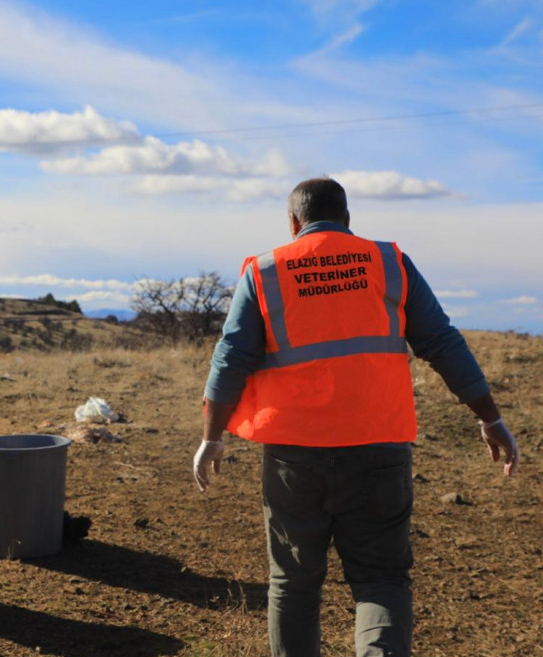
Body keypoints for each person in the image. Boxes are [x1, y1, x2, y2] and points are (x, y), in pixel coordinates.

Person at [193, 177, 519, 657]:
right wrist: (489, 418)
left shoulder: (265, 271)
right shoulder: (389, 263)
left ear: (292, 222)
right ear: (348, 219)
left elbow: (231, 359)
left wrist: (212, 436)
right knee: (381, 580)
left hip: (293, 454)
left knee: (292, 584)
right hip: (378, 447)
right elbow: (442, 343)